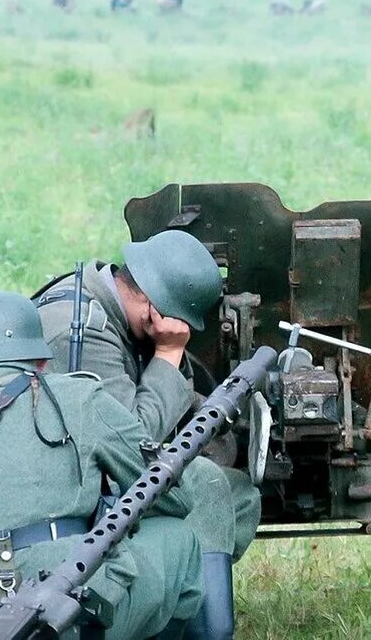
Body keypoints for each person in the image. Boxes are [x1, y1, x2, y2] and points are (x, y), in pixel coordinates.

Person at [0, 291, 203, 639]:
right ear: (41, 362)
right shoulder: (80, 398)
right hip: (57, 605)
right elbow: (173, 498)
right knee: (180, 539)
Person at [33, 230, 257, 638]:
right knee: (205, 487)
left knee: (238, 495)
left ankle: (168, 599)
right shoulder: (82, 330)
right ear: (156, 309)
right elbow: (135, 444)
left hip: (94, 468)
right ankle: (206, 630)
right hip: (64, 485)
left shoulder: (109, 307)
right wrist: (169, 353)